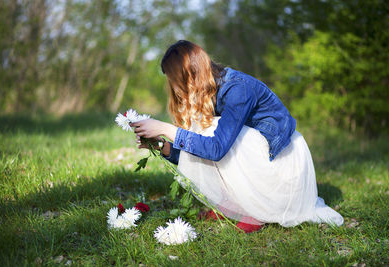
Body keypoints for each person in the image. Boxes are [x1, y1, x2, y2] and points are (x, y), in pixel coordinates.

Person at [131, 40, 343, 233]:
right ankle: (234, 205)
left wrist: (165, 128)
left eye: (176, 81)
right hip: (264, 164)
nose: (176, 89)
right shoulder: (211, 91)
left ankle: (255, 212)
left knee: (210, 130)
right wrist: (162, 145)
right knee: (201, 131)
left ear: (190, 74)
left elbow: (216, 150)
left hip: (283, 170)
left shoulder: (237, 89)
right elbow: (200, 152)